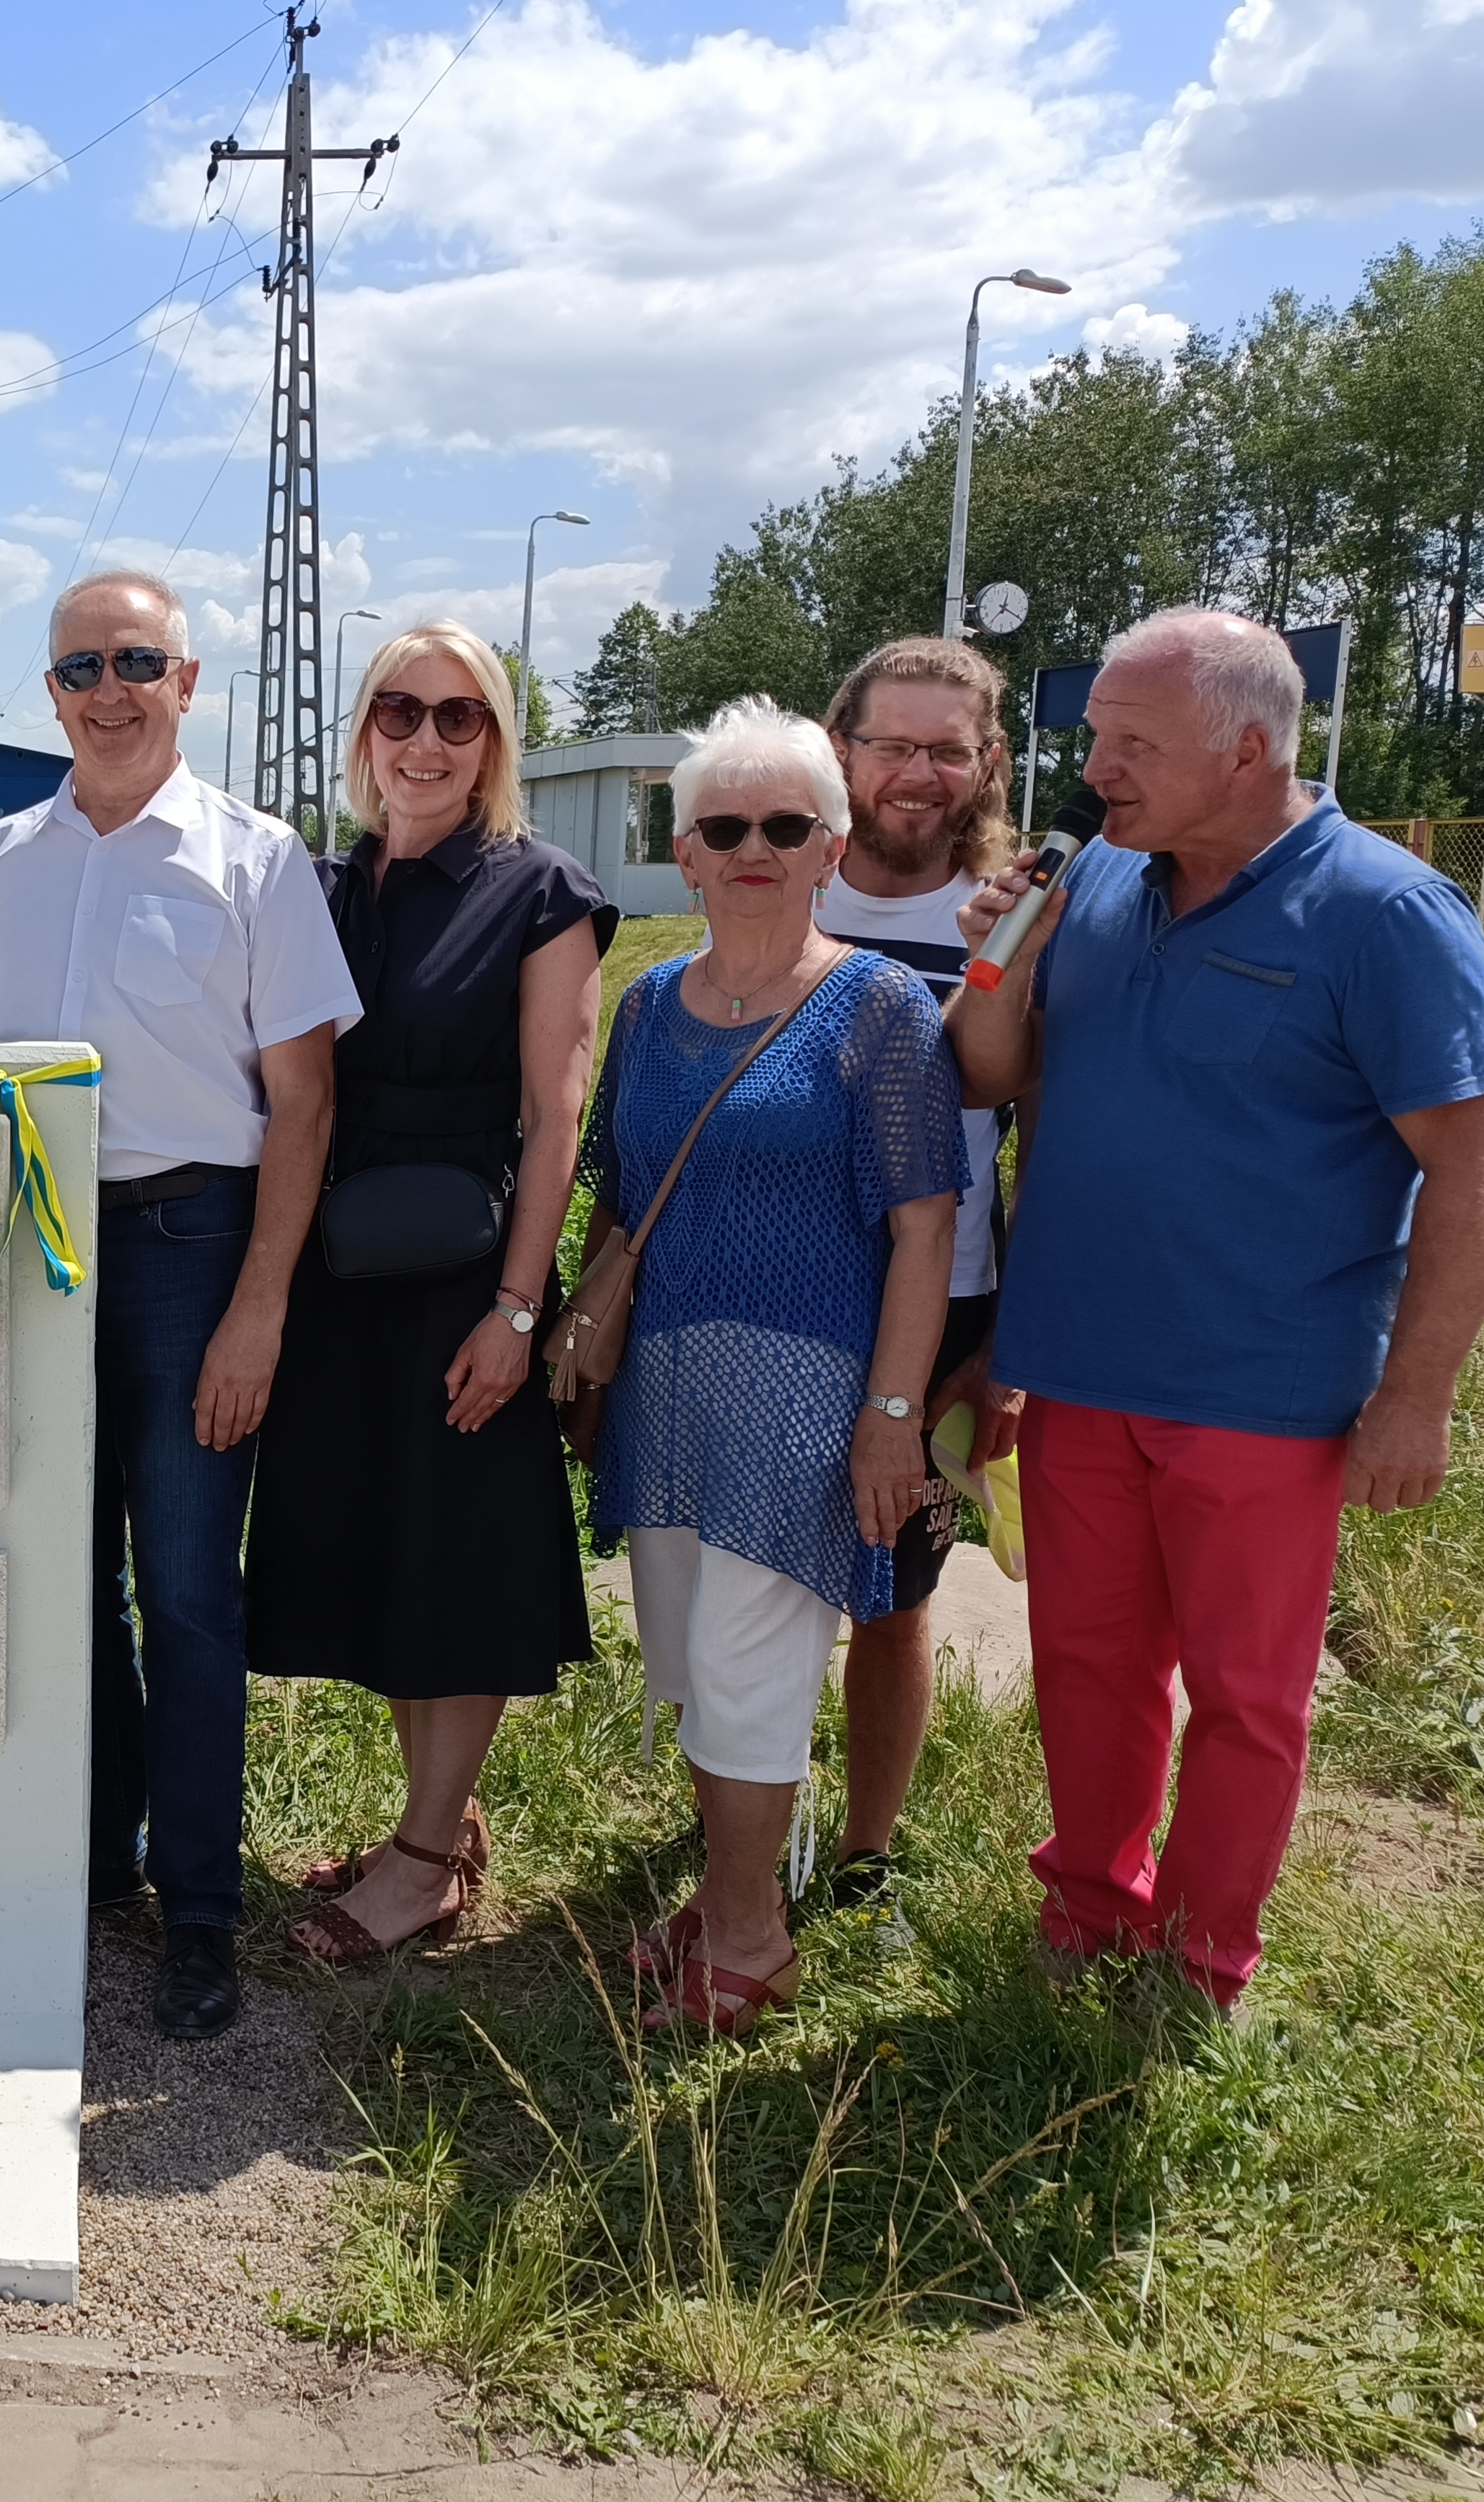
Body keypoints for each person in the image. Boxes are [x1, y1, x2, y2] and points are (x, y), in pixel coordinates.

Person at [949, 607, 1484, 2014]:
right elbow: (984, 1077)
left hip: (1262, 1389)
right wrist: (996, 963)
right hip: (1077, 1367)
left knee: (1244, 1697)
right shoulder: (1084, 884)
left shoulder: (1382, 915)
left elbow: (1475, 1168)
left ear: (1247, 747)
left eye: (1131, 744)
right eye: (1093, 739)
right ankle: (1087, 1907)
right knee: (1084, 1662)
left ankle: (1201, 1959)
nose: (1096, 770)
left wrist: (1414, 1395)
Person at [0, 568, 361, 2040]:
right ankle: (85, 1864)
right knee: (51, 1579)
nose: (106, 689)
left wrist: (256, 1311)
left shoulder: (256, 862)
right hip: (34, 1247)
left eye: (136, 661)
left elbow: (303, 1108)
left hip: (197, 1247)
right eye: (78, 667)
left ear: (188, 684)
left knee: (185, 1595)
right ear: (49, 690)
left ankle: (198, 1911)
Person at [583, 695, 960, 2036]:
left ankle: (750, 1932)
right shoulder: (642, 1005)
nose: (751, 846)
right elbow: (616, 1198)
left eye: (782, 824)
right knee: (687, 1653)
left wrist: (892, 1415)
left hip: (802, 1395)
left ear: (829, 844)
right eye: (722, 824)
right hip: (665, 1386)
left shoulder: (878, 1007)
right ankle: (725, 1885)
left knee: (750, 1662)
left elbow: (924, 1225)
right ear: (681, 852)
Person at [249, 623, 614, 1966]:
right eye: (397, 711)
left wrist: (517, 1311)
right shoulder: (314, 883)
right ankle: (435, 1823)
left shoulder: (539, 890)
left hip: (463, 1269)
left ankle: (418, 1863)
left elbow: (552, 1113)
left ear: (494, 742)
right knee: (386, 1555)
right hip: (338, 1267)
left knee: (455, 1564)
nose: (423, 740)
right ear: (361, 732)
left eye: (458, 717)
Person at [809, 638, 1028, 1908]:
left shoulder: (1018, 913)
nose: (914, 771)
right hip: (781, 1284)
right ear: (841, 747)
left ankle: (861, 1855)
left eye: (946, 748)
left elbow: (1041, 1133)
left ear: (985, 762)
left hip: (946, 1303)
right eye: (890, 743)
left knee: (890, 1600)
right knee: (754, 1578)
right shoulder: (782, 868)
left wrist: (1014, 1345)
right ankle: (740, 1823)